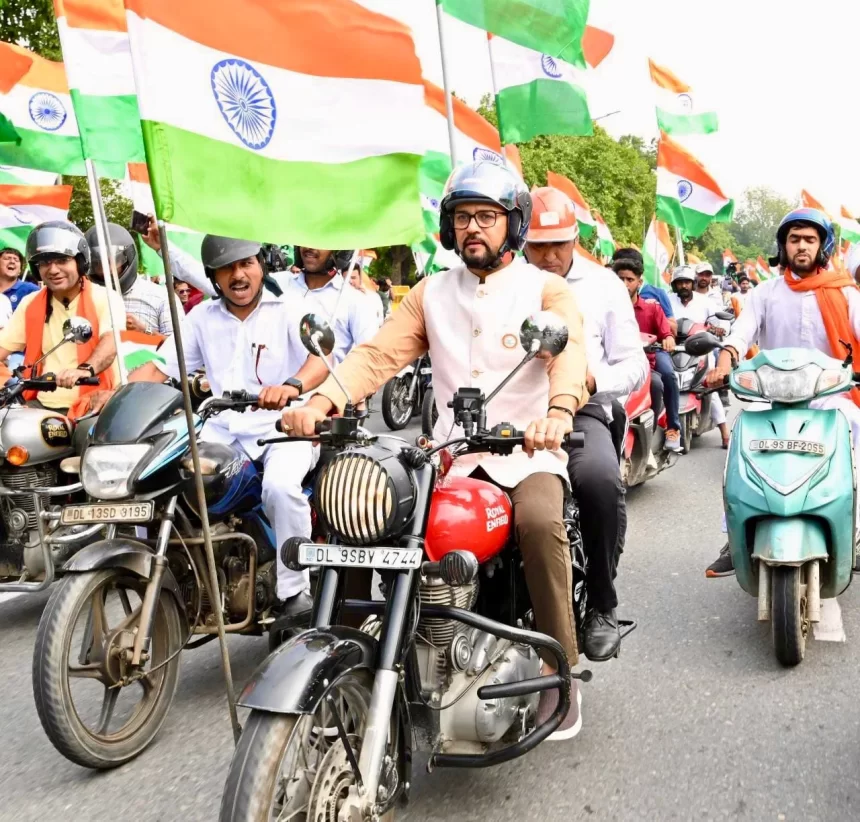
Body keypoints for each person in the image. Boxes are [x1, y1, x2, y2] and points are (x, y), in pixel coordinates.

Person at [280, 160, 590, 740]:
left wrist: (558, 412)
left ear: (513, 225)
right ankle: (344, 658)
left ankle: (557, 669)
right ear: (448, 228)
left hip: (526, 451)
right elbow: (376, 356)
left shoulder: (545, 288)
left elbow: (568, 353)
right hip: (447, 454)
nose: (474, 227)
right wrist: (320, 403)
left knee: (542, 521)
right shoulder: (430, 292)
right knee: (363, 518)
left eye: (488, 217)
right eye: (463, 217)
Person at [88, 234, 332, 613]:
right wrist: (116, 399)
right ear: (213, 275)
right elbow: (158, 367)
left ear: (260, 264)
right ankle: (160, 574)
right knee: (158, 481)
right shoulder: (200, 317)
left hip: (283, 428)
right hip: (221, 430)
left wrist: (291, 386)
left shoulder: (289, 307)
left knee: (281, 489)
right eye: (227, 268)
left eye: (245, 263)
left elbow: (319, 361)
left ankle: (293, 590)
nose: (238, 275)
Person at [523, 186, 648, 662]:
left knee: (597, 481)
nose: (550, 255)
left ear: (576, 239)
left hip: (583, 410)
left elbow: (634, 363)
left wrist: (593, 381)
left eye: (559, 244)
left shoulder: (603, 285)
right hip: (510, 416)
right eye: (538, 245)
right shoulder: (502, 284)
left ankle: (601, 603)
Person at [705, 207, 860, 577]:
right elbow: (742, 333)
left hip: (829, 395)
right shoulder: (764, 293)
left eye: (810, 239)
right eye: (794, 239)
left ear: (823, 247)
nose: (801, 246)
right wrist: (726, 357)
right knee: (739, 451)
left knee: (857, 431)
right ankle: (736, 534)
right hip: (770, 395)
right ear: (783, 245)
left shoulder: (845, 293)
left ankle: (854, 531)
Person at [0, 221, 123, 417]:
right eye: (45, 262)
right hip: (39, 404)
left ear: (80, 262)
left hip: (94, 404)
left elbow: (111, 342)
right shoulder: (31, 303)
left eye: (62, 260)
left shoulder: (105, 297)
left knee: (93, 444)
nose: (53, 269)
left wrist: (85, 370)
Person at [614, 256, 682, 452]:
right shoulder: (607, 308)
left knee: (664, 379)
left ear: (639, 282)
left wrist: (667, 339)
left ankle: (671, 428)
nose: (625, 284)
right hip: (615, 363)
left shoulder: (652, 308)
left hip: (646, 361)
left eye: (629, 279)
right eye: (620, 279)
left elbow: (666, 333)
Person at [669, 265, 731, 447]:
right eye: (680, 283)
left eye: (687, 282)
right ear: (674, 285)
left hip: (701, 349)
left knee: (708, 387)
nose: (684, 286)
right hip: (673, 349)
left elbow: (721, 323)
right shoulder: (667, 299)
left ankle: (724, 431)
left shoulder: (705, 302)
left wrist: (720, 329)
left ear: (693, 284)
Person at [85, 223, 173, 340]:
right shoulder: (85, 298)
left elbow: (182, 351)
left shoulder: (161, 297)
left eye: (111, 261)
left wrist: (145, 331)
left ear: (127, 257)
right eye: (97, 263)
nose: (104, 269)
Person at [613, 247, 677, 335]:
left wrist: (652, 313)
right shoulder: (607, 296)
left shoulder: (658, 294)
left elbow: (674, 329)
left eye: (630, 279)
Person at [0, 246, 38, 312]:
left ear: (20, 270)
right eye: (7, 258)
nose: (12, 261)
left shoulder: (31, 290)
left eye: (16, 260)